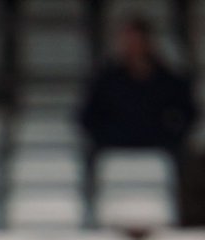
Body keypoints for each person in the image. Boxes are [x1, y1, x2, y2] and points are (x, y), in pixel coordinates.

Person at [78, 14, 197, 159]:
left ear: (148, 42)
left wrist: (170, 137)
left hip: (158, 147)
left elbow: (188, 113)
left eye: (137, 41)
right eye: (128, 41)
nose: (133, 46)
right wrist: (106, 139)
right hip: (115, 148)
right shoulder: (106, 79)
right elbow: (87, 116)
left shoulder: (168, 79)